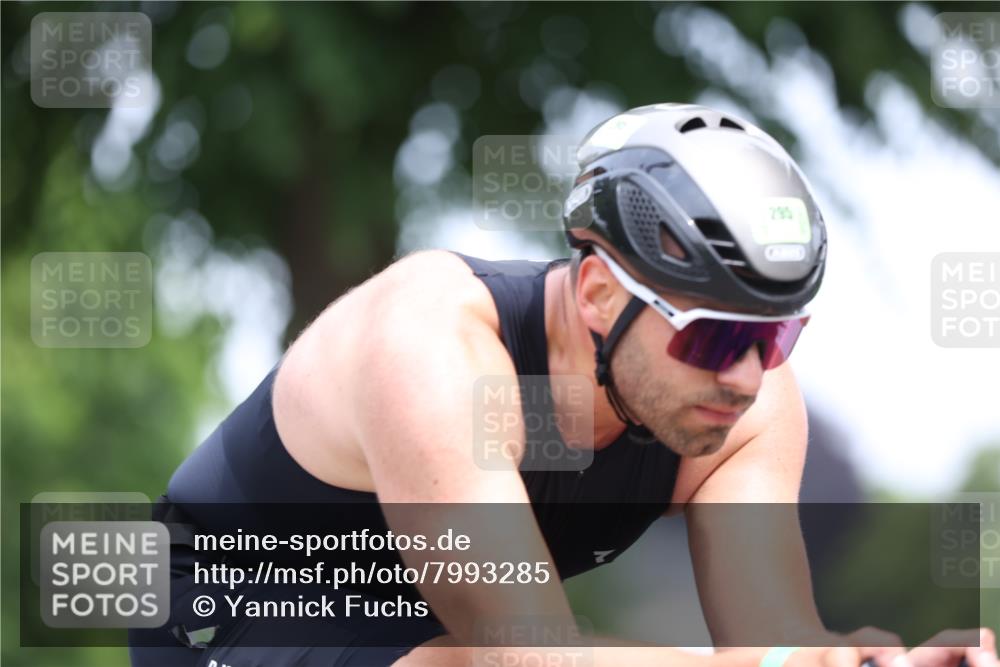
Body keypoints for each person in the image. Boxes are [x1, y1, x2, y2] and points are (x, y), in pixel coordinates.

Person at [129, 104, 996, 667]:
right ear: (599, 293)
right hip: (234, 615)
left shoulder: (753, 403)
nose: (744, 374)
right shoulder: (433, 340)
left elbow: (774, 645)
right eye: (716, 334)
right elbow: (525, 654)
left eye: (775, 335)